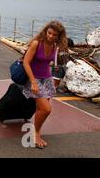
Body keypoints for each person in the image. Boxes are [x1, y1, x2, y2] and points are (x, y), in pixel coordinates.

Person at [22, 21, 68, 149]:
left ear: (59, 36)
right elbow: (26, 63)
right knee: (47, 109)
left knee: (41, 109)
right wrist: (33, 82)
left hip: (47, 79)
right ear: (45, 32)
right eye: (49, 33)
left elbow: (51, 62)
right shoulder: (37, 43)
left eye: (54, 35)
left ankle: (37, 129)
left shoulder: (55, 46)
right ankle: (36, 133)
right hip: (34, 78)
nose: (51, 36)